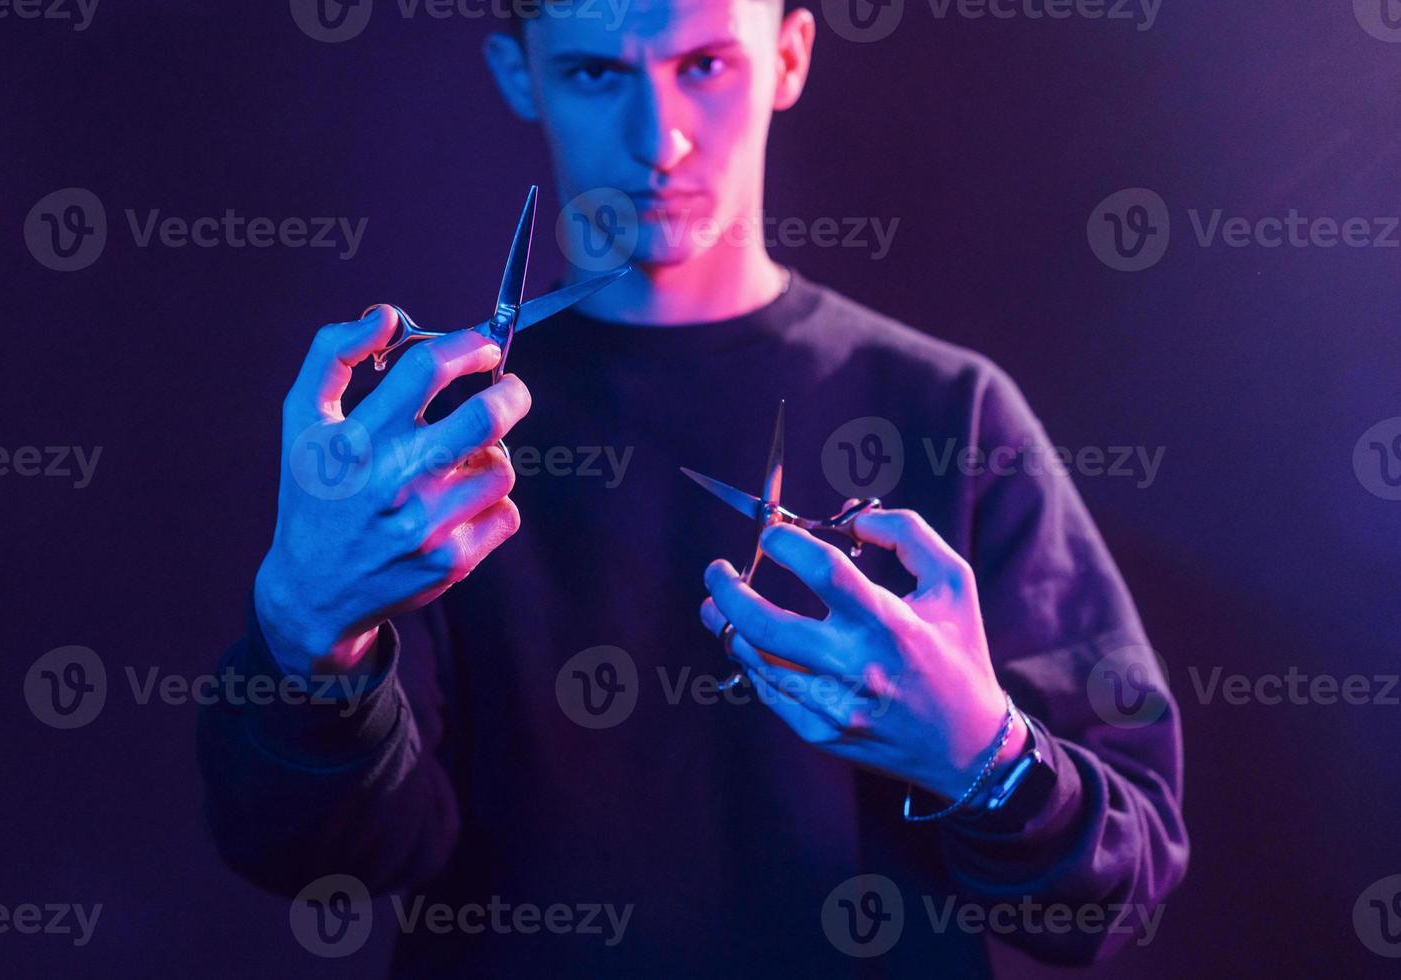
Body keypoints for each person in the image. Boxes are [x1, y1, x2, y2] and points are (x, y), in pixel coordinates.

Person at [198, 1, 1188, 975]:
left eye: (705, 66)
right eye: (596, 72)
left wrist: (985, 756)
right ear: (519, 72)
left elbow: (1116, 887)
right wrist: (302, 634)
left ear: (790, 56)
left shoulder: (952, 411)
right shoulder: (425, 447)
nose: (657, 139)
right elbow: (319, 858)